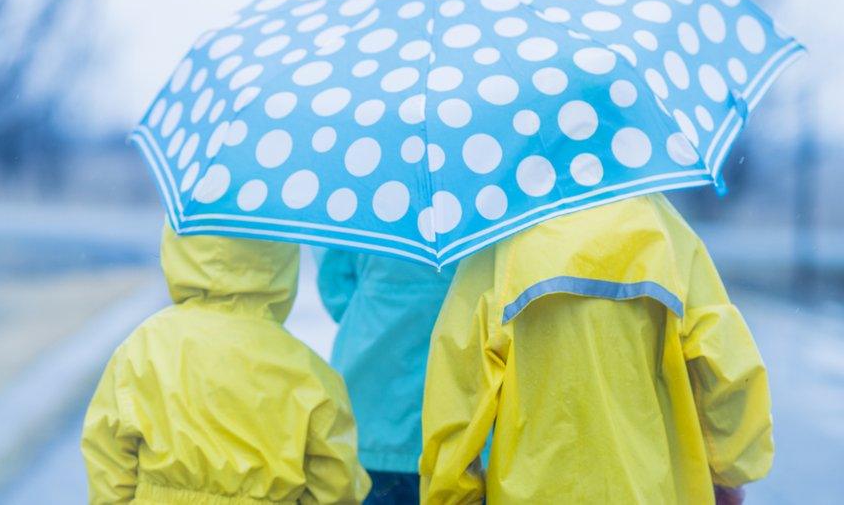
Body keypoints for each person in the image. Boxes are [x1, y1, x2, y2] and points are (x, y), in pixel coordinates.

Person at [420, 194, 773, 504]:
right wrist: (730, 472)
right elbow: (728, 366)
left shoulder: (499, 239)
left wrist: (452, 494)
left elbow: (457, 387)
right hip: (653, 490)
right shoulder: (663, 227)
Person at [81, 225, 370, 504]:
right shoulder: (307, 371)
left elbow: (108, 450)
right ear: (280, 260)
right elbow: (335, 483)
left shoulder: (144, 346)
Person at [317, 251, 455, 504]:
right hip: (457, 424)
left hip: (371, 407)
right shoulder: (477, 218)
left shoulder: (367, 213)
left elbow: (334, 285)